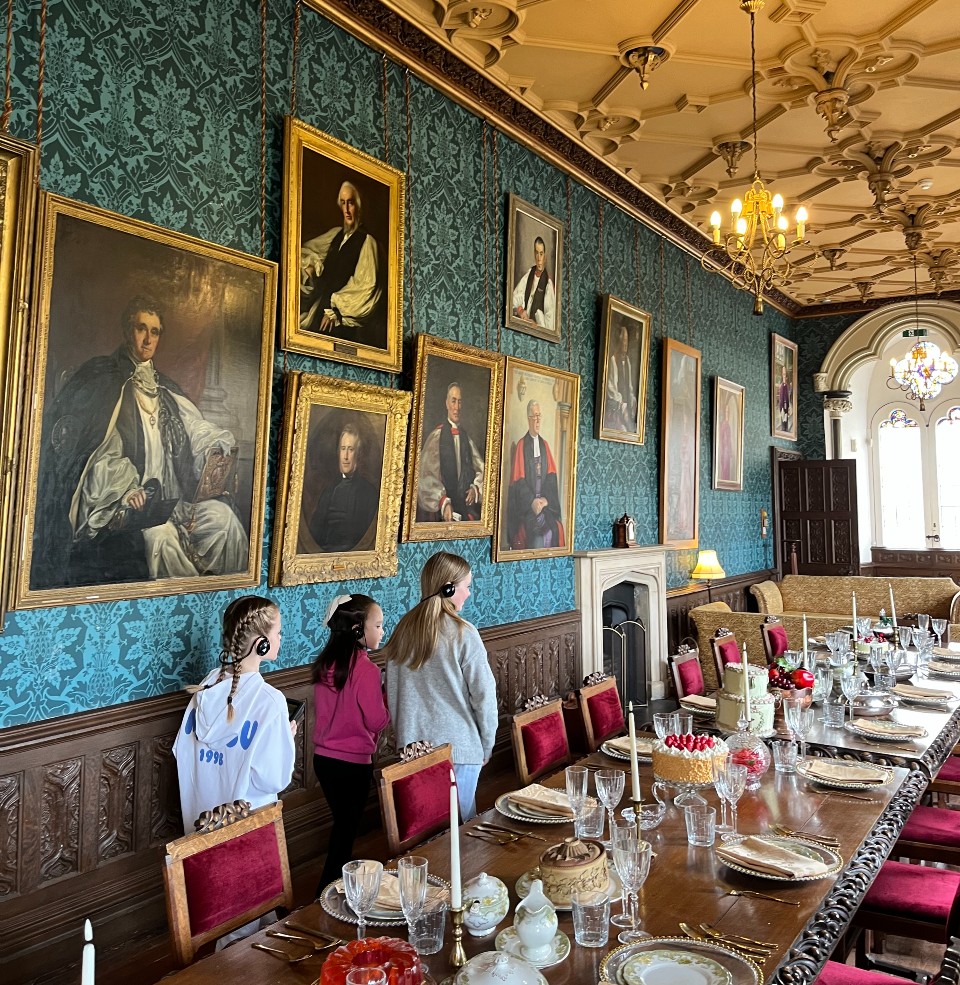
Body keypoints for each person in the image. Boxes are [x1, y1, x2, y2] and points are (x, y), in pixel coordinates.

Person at [31, 295, 248, 590]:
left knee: (225, 521)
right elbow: (99, 456)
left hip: (171, 502)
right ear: (127, 331)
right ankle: (181, 606)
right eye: (141, 328)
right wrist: (125, 490)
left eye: (154, 331)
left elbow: (194, 426)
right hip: (126, 504)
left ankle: (223, 597)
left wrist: (217, 444)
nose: (147, 340)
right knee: (162, 537)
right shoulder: (104, 379)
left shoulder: (163, 387)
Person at [383, 551, 497, 821]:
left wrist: (405, 742)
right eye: (466, 586)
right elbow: (484, 696)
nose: (468, 594)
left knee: (426, 837)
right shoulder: (462, 632)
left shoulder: (401, 631)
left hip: (413, 753)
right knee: (463, 836)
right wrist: (487, 744)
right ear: (448, 588)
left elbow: (393, 694)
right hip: (460, 748)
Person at [172, 596, 296, 833]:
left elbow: (182, 751)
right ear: (262, 644)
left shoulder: (206, 686)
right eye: (278, 632)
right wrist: (285, 740)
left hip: (197, 824)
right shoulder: (270, 701)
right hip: (246, 828)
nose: (280, 638)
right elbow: (274, 779)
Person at [311, 593, 389, 895]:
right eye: (378, 625)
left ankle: (332, 889)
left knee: (341, 830)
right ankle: (326, 893)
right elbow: (376, 721)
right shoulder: (367, 671)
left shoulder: (325, 664)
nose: (382, 631)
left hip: (324, 762)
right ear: (358, 631)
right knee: (345, 835)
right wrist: (387, 699)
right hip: (353, 765)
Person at [299, 180, 384, 348]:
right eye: (343, 203)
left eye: (351, 203)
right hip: (317, 309)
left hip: (337, 322)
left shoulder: (367, 242)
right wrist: (310, 268)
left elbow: (366, 286)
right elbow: (307, 252)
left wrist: (336, 312)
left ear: (359, 205)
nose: (346, 210)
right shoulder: (336, 235)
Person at [417, 382, 485, 522]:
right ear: (447, 403)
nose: (457, 407)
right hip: (443, 513)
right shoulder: (437, 436)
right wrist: (442, 502)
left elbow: (482, 469)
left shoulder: (466, 438)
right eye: (453, 401)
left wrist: (475, 489)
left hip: (464, 510)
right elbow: (425, 477)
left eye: (460, 402)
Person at [307, 423, 379, 553]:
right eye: (342, 449)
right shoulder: (328, 493)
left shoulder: (370, 494)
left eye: (350, 449)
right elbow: (315, 534)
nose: (345, 456)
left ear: (359, 453)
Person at [507, 401, 564, 550]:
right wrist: (532, 502)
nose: (538, 420)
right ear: (528, 418)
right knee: (537, 537)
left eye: (539, 416)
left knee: (557, 529)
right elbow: (518, 481)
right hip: (527, 508)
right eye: (534, 416)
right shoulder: (521, 445)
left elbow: (551, 477)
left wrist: (545, 500)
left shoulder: (545, 445)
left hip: (543, 506)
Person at [511, 236, 556, 332]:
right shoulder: (529, 274)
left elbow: (549, 326)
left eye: (541, 254)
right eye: (536, 253)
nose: (539, 258)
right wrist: (520, 310)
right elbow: (513, 299)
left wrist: (537, 324)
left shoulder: (548, 284)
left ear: (545, 255)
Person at [604, 324, 637, 432]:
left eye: (626, 341)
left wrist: (632, 398)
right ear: (619, 341)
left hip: (626, 403)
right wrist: (620, 401)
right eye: (623, 340)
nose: (625, 344)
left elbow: (630, 386)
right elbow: (610, 386)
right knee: (624, 425)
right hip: (616, 404)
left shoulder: (627, 361)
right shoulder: (613, 359)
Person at [778, 362, 792, 431]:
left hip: (787, 404)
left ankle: (785, 428)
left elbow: (789, 396)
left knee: (786, 417)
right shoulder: (781, 386)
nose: (784, 376)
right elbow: (781, 397)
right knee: (783, 417)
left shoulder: (788, 385)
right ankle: (783, 428)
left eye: (785, 374)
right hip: (782, 404)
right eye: (783, 374)